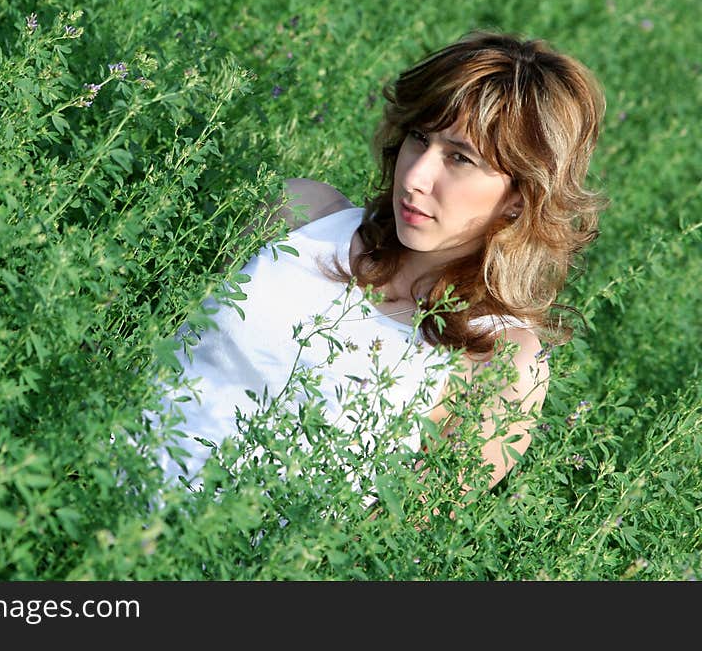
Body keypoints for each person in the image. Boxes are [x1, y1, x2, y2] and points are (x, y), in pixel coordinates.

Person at [153, 31, 606, 501]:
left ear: (520, 196)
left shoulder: (502, 360)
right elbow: (155, 329)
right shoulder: (302, 212)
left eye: (459, 158)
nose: (415, 177)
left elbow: (396, 535)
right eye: (418, 138)